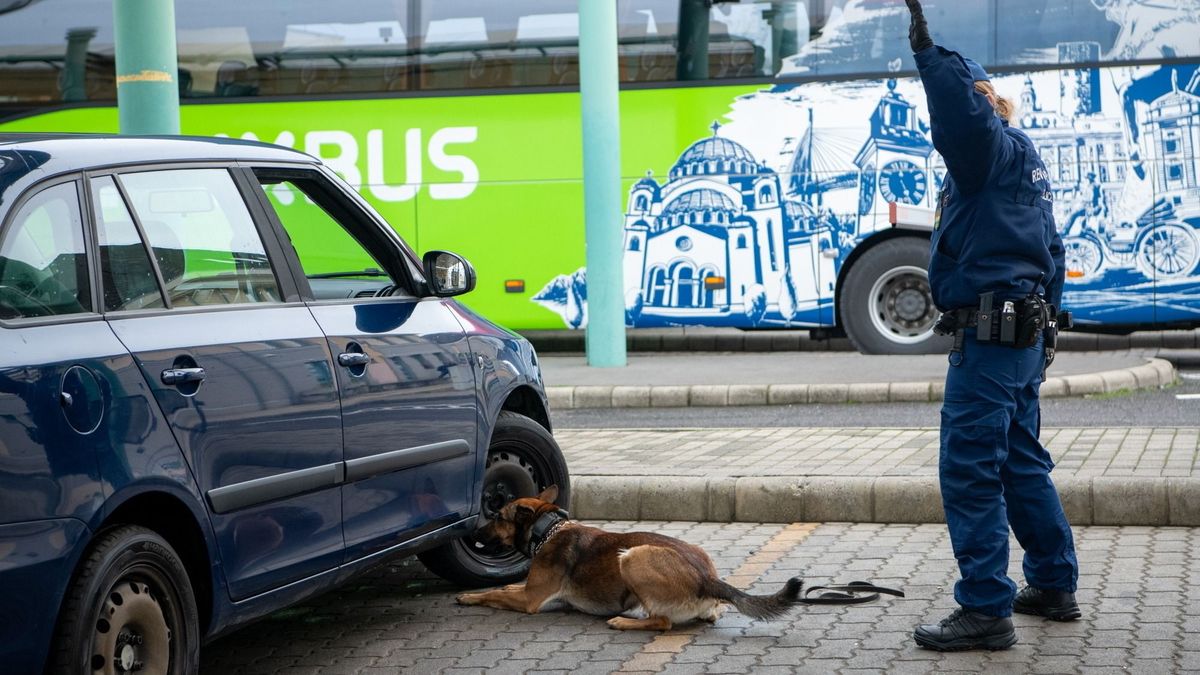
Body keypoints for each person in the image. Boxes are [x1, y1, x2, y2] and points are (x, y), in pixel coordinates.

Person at [903, 0, 1081, 652]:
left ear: (982, 103)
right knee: (1023, 463)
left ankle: (984, 607)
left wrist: (930, 55)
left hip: (991, 338)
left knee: (971, 468)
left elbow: (959, 114)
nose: (937, 131)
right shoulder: (1024, 161)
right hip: (1024, 336)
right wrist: (1051, 325)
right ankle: (1055, 582)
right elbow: (1051, 251)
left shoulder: (984, 153)